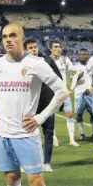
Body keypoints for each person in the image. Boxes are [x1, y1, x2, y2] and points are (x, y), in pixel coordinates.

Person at [0, 23, 68, 186]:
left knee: (35, 180)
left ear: (22, 38)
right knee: (11, 177)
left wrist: (40, 118)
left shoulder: (37, 63)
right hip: (2, 132)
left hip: (26, 133)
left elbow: (62, 91)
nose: (8, 40)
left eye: (13, 35)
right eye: (4, 37)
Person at [22, 39, 63, 172]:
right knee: (26, 134)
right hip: (29, 105)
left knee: (48, 133)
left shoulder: (48, 61)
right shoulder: (21, 64)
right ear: (25, 50)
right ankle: (26, 163)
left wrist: (56, 99)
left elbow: (59, 80)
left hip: (46, 103)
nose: (34, 49)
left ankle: (46, 163)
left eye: (35, 47)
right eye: (30, 48)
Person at [49, 41, 80, 147]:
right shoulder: (47, 61)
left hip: (64, 92)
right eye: (55, 47)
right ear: (51, 49)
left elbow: (75, 72)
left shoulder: (64, 60)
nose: (58, 49)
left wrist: (71, 88)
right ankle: (54, 138)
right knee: (50, 116)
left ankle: (71, 140)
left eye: (59, 46)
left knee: (70, 114)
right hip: (51, 93)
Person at [70, 48, 93, 141]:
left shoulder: (92, 67)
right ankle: (82, 134)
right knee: (79, 114)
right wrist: (80, 74)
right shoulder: (74, 68)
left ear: (87, 55)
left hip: (90, 94)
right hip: (79, 94)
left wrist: (92, 88)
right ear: (78, 56)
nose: (83, 56)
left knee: (92, 114)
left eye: (85, 54)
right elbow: (72, 81)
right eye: (81, 54)